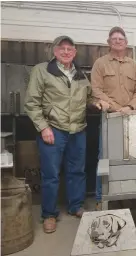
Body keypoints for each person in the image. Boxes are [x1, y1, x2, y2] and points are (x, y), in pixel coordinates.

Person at [24, 35, 97, 233]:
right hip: (53, 130)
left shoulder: (80, 75)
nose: (66, 52)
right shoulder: (42, 71)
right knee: (51, 175)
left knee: (77, 172)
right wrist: (43, 127)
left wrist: (96, 104)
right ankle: (49, 214)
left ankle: (76, 206)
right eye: (62, 48)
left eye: (70, 49)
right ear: (55, 51)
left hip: (78, 130)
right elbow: (32, 103)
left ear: (75, 52)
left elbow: (88, 97)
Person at [91, 26, 136, 210]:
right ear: (108, 42)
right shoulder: (100, 64)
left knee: (130, 156)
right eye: (114, 39)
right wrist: (117, 108)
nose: (117, 41)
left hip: (131, 118)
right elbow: (96, 90)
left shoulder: (134, 65)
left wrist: (130, 106)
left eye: (121, 39)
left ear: (126, 43)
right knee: (105, 156)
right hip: (109, 119)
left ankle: (126, 193)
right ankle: (101, 198)